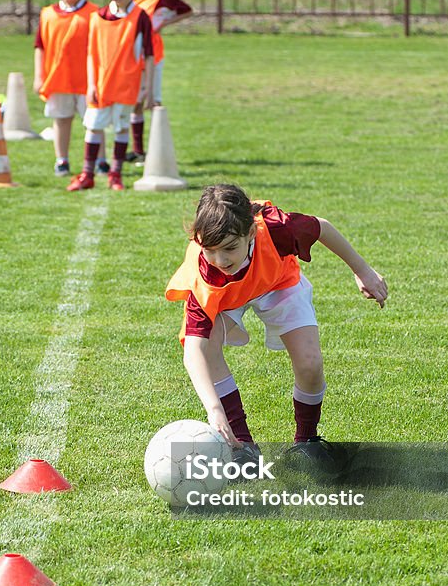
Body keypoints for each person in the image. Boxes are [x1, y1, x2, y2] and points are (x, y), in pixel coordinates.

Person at [165, 184, 388, 467]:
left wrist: (363, 271)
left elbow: (322, 228)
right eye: (211, 250)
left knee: (310, 362)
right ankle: (242, 448)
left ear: (250, 233)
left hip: (276, 281)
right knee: (208, 350)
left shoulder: (276, 229)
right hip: (226, 297)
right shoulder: (204, 272)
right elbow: (193, 352)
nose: (220, 260)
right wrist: (214, 410)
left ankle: (306, 442)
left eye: (230, 248)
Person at [67, 0, 154, 192]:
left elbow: (149, 56)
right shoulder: (98, 17)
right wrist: (92, 83)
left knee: (122, 128)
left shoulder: (140, 17)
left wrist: (149, 89)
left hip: (128, 85)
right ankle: (87, 174)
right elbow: (91, 53)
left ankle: (115, 174)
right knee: (93, 127)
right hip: (102, 85)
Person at [33, 0, 108, 178]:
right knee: (61, 120)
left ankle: (100, 161)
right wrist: (39, 76)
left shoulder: (95, 13)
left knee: (94, 123)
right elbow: (40, 46)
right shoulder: (47, 13)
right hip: (59, 80)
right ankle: (62, 160)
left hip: (88, 82)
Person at [128, 0, 192, 163]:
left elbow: (186, 10)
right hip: (130, 56)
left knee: (153, 100)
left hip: (153, 54)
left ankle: (157, 150)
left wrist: (164, 22)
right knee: (135, 101)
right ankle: (138, 150)